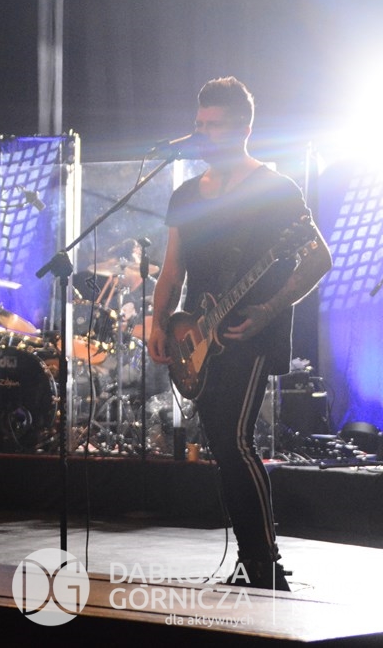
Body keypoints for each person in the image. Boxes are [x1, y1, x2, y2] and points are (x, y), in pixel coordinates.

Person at [148, 77, 332, 590]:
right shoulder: (187, 193)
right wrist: (160, 323)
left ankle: (264, 564)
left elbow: (318, 257)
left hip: (251, 332)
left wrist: (270, 309)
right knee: (223, 446)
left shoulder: (275, 188)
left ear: (244, 129)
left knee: (234, 439)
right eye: (200, 124)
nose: (203, 134)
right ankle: (252, 561)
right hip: (199, 336)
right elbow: (172, 270)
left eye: (215, 126)